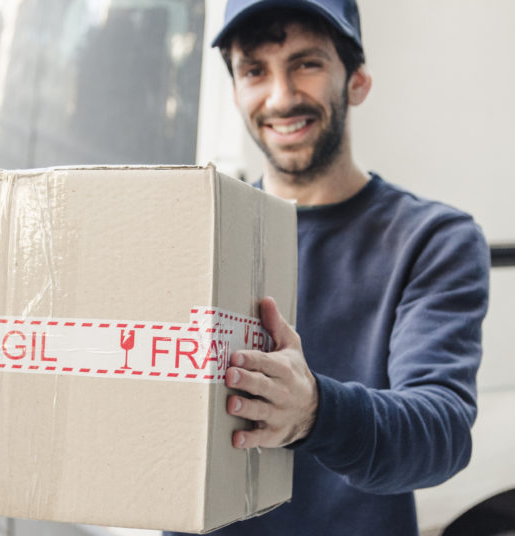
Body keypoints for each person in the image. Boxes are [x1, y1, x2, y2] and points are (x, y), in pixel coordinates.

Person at [169, 0, 490, 534]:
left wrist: (313, 411)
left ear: (357, 81)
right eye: (254, 70)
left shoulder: (433, 240)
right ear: (235, 92)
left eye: (307, 63)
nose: (281, 96)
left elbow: (443, 433)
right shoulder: (196, 233)